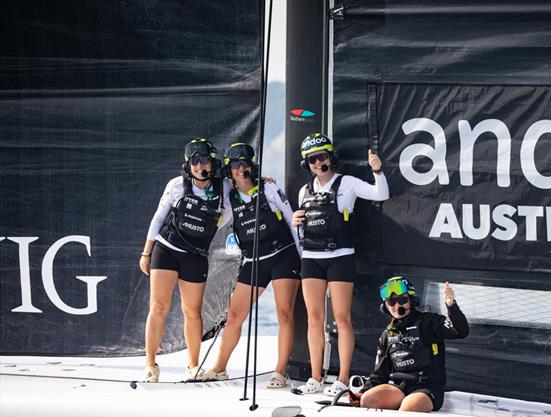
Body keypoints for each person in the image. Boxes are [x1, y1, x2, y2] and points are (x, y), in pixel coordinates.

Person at [291, 133, 389, 395]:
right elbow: (300, 229)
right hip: (311, 258)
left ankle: (343, 378)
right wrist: (296, 220)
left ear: (330, 157)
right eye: (312, 159)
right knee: (314, 318)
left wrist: (377, 170)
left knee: (342, 318)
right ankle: (314, 377)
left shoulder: (347, 183)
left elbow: (381, 193)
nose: (317, 162)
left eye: (321, 156)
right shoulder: (304, 190)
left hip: (340, 256)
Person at [203, 142, 301, 386]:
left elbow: (292, 222)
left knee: (284, 313)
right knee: (234, 314)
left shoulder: (269, 188)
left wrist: (304, 259)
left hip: (283, 255)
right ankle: (219, 368)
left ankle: (280, 371)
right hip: (254, 260)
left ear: (252, 165)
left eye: (244, 164)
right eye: (235, 165)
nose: (240, 169)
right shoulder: (228, 196)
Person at [139, 139, 232, 382]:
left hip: (196, 255)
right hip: (167, 249)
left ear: (213, 163)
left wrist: (263, 181)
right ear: (188, 164)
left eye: (204, 161)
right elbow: (158, 218)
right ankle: (150, 365)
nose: (200, 166)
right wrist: (146, 252)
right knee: (158, 307)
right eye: (194, 161)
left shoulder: (225, 188)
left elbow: (247, 184)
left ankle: (192, 365)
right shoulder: (177, 185)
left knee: (192, 312)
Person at [356, 277, 469, 412]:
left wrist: (451, 306)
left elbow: (461, 331)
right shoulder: (387, 334)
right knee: (368, 399)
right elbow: (380, 374)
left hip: (428, 388)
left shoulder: (429, 322)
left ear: (412, 300)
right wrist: (362, 391)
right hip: (399, 388)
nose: (397, 306)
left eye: (402, 300)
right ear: (385, 306)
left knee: (409, 406)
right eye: (391, 302)